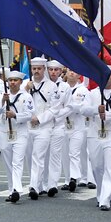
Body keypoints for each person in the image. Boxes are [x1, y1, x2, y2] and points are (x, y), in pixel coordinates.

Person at [81, 70, 111, 211]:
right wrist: (96, 109)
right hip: (95, 133)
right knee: (96, 166)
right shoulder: (92, 93)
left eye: (109, 74)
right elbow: (83, 110)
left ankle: (105, 199)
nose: (106, 77)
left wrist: (108, 115)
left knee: (110, 166)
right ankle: (101, 193)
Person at [0, 70, 34, 203]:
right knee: (8, 162)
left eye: (15, 80)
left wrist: (15, 115)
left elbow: (29, 114)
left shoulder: (26, 96)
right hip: (5, 132)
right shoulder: (2, 95)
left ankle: (16, 189)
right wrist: (3, 101)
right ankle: (11, 189)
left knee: (17, 162)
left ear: (21, 82)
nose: (13, 82)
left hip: (20, 132)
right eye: (10, 80)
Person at [25, 56, 58, 199]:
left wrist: (39, 119)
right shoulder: (26, 85)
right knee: (30, 157)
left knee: (38, 156)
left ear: (44, 69)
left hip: (44, 126)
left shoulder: (52, 86)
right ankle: (38, 184)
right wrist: (26, 90)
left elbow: (54, 108)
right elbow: (19, 103)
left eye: (39, 68)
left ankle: (33, 186)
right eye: (34, 68)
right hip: (28, 126)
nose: (36, 71)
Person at [44, 60, 70, 197]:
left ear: (60, 71)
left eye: (56, 70)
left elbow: (69, 107)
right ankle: (42, 183)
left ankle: (52, 184)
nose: (53, 72)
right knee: (43, 155)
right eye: (51, 69)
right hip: (43, 125)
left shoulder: (65, 87)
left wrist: (57, 115)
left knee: (55, 155)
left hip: (58, 124)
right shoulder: (42, 85)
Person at [62, 70, 89, 192]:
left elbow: (86, 107)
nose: (71, 73)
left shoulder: (83, 90)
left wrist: (72, 107)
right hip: (63, 125)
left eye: (74, 71)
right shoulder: (61, 88)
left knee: (74, 153)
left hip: (78, 126)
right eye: (69, 71)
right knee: (65, 154)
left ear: (79, 75)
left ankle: (74, 178)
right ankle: (67, 179)